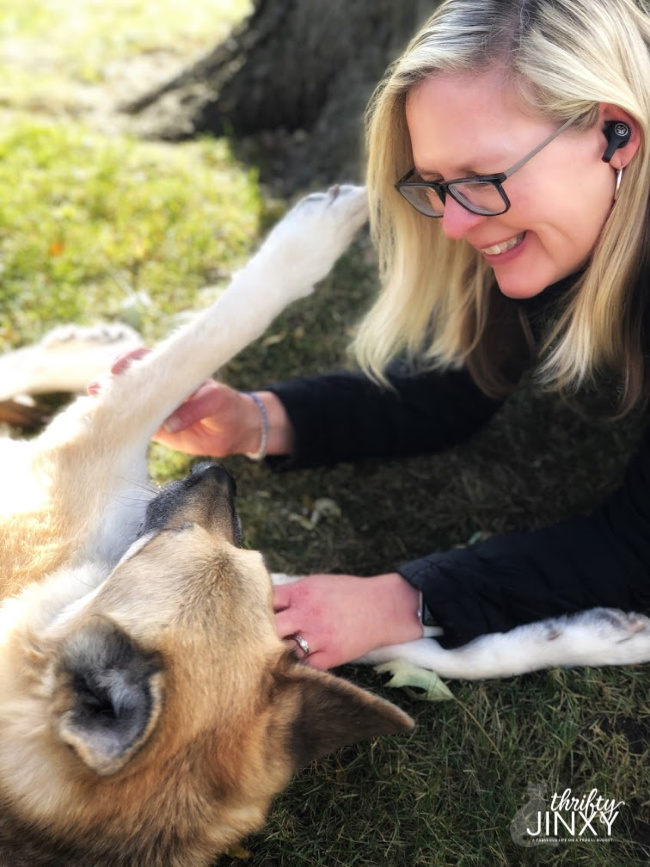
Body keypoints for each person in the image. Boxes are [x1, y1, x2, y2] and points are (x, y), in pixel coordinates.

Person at [112, 0, 650, 671]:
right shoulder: (547, 215)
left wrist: (402, 601)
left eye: (481, 179)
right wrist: (253, 420)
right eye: (436, 185)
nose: (453, 225)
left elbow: (637, 546)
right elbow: (457, 387)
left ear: (616, 136)